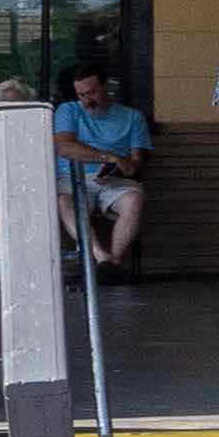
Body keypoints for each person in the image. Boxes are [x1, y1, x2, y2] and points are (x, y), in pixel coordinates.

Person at [52, 57, 150, 274]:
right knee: (64, 201)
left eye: (92, 92)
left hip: (113, 180)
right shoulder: (68, 111)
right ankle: (101, 257)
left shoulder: (132, 117)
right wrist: (110, 157)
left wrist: (124, 166)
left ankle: (112, 262)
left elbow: (136, 163)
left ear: (106, 86)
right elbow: (65, 147)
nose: (87, 100)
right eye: (81, 95)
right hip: (73, 178)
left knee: (135, 198)